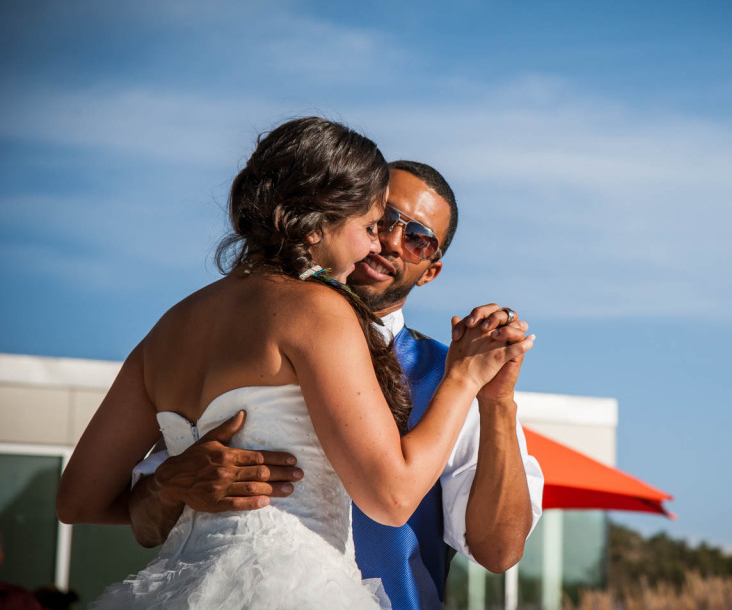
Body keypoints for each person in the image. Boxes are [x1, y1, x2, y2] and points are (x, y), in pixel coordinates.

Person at [55, 117, 535, 609]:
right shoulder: (320, 310)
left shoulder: (169, 328)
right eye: (375, 222)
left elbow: (77, 500)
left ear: (431, 269)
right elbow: (392, 497)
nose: (381, 242)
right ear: (320, 217)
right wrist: (464, 377)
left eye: (415, 238)